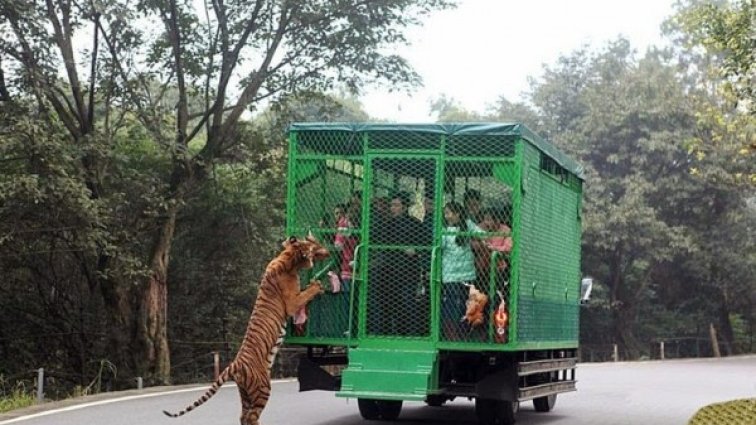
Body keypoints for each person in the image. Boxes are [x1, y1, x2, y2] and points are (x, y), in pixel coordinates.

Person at [371, 191, 428, 336]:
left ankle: (413, 333)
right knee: (394, 303)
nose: (392, 208)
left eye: (396, 205)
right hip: (391, 270)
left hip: (409, 270)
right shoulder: (387, 224)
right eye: (392, 205)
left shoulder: (415, 223)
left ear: (404, 207)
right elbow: (382, 243)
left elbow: (424, 243)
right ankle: (397, 332)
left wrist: (416, 249)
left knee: (409, 302)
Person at [441, 201, 483, 341]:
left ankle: (464, 332)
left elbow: (481, 233)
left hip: (467, 273)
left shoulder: (467, 224)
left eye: (448, 213)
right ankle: (451, 334)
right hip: (450, 274)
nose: (446, 216)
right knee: (451, 303)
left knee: (466, 304)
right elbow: (440, 245)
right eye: (445, 213)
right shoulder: (444, 227)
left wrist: (481, 240)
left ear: (457, 213)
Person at [333, 203, 358, 333]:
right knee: (348, 298)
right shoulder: (344, 223)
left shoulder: (363, 221)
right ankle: (347, 328)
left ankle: (355, 328)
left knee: (356, 299)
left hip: (361, 267)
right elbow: (338, 244)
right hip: (348, 267)